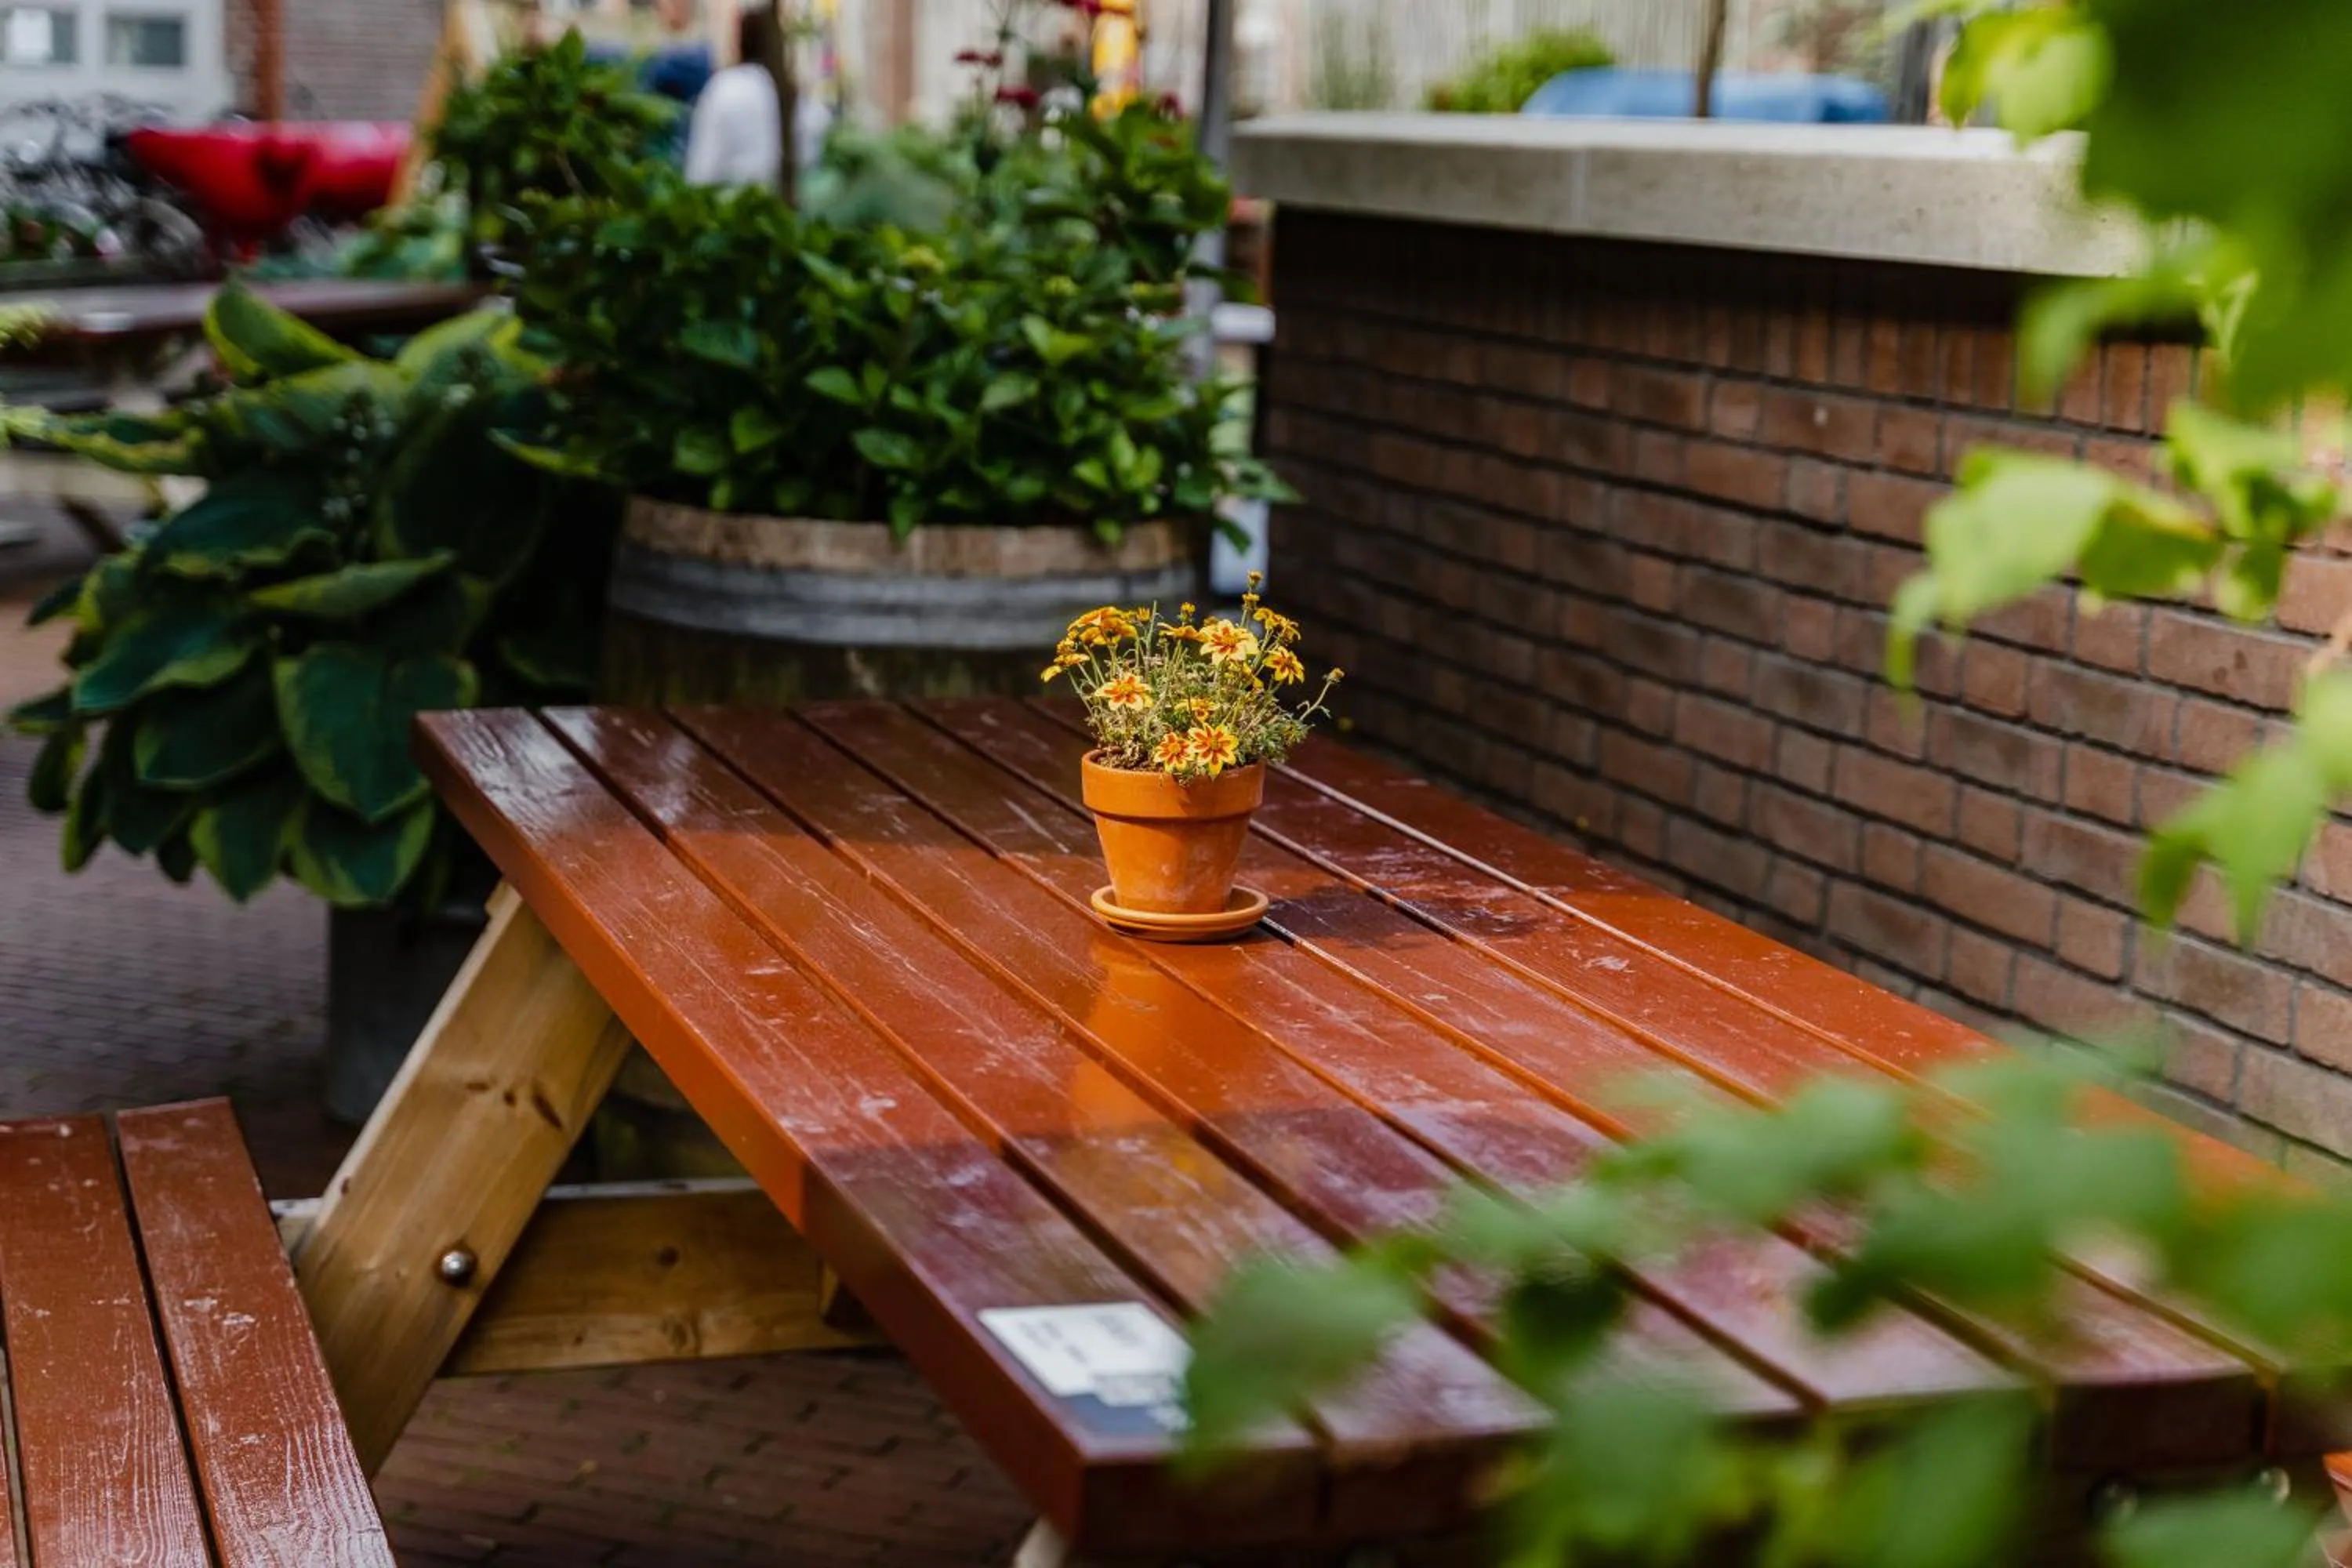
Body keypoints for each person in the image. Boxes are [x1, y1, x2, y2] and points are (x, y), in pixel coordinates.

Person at [684, 6, 782, 191]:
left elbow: (703, 171)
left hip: (732, 201)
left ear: (739, 40)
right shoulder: (789, 95)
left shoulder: (725, 88)